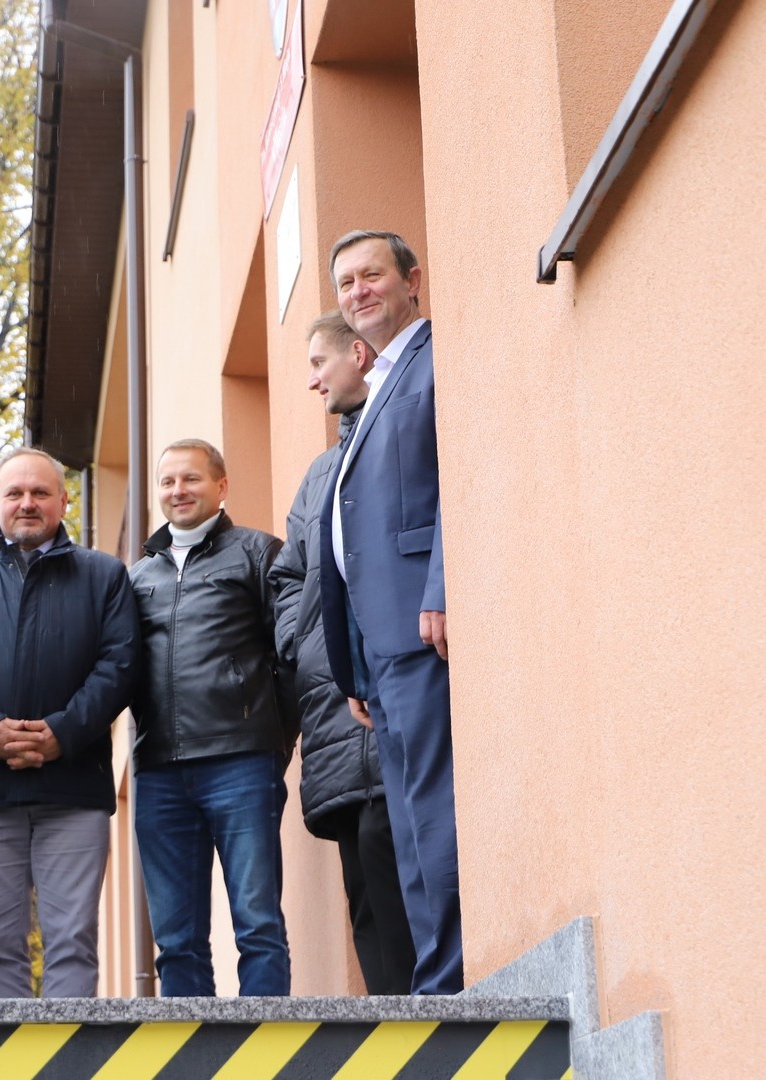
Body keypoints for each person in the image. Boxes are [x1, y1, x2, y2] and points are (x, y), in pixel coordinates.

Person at [0, 447, 139, 998]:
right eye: (14, 493)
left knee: (73, 944)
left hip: (74, 790)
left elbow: (120, 665)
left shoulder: (105, 576)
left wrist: (63, 733)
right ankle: (4, 1051)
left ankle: (67, 1049)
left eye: (40, 492)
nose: (27, 503)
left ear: (63, 501)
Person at [318, 230, 461, 995]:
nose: (358, 291)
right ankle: (434, 978)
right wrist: (354, 665)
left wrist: (442, 587)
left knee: (430, 806)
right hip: (380, 646)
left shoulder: (437, 360)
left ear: (412, 280)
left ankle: (448, 977)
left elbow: (455, 481)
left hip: (420, 623)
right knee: (407, 819)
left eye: (371, 274)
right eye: (345, 283)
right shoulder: (376, 385)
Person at [271, 312, 415, 995]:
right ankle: (393, 1026)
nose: (311, 382)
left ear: (358, 355)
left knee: (400, 862)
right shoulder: (319, 473)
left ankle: (430, 1025)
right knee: (363, 884)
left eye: (318, 364)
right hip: (332, 714)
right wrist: (301, 642)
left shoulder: (397, 432)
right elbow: (288, 576)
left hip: (392, 694)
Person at [129, 438, 293, 997]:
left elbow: (291, 656)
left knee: (258, 925)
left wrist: (273, 738)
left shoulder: (257, 553)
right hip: (158, 771)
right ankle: (189, 1046)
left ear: (221, 486)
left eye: (191, 479)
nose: (178, 490)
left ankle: (268, 1042)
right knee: (176, 941)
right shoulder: (138, 577)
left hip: (241, 762)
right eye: (168, 481)